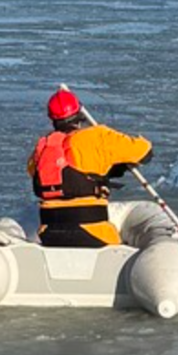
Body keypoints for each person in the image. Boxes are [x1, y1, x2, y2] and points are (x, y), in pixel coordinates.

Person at [27, 89, 153, 247]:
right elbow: (145, 153)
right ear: (79, 115)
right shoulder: (97, 137)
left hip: (49, 233)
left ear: (52, 119)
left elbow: (35, 171)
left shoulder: (43, 147)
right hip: (94, 231)